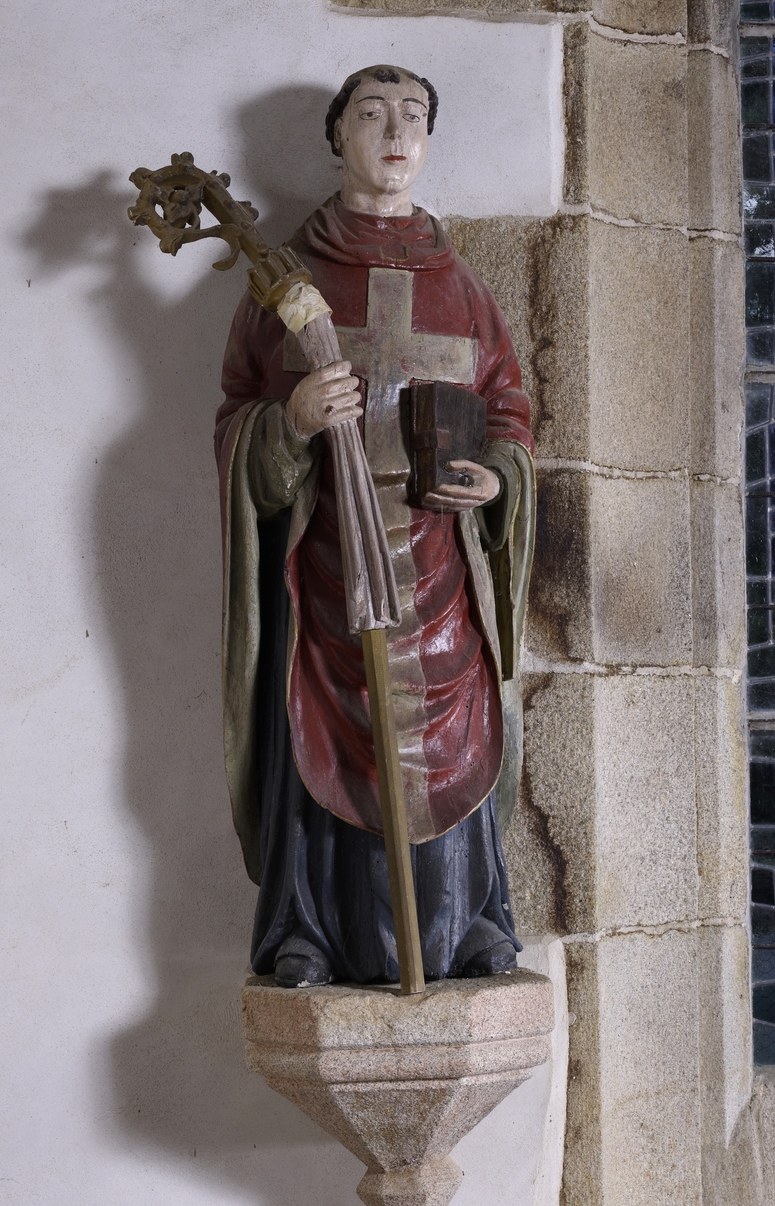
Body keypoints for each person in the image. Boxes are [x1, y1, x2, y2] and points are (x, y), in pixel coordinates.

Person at [215, 65, 535, 987]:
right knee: (323, 726)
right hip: (326, 551)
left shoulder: (464, 287)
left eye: (413, 116)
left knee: (449, 733)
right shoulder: (285, 282)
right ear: (337, 136)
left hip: (436, 556)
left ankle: (467, 921)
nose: (396, 134)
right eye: (372, 115)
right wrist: (290, 420)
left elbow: (508, 411)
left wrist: (497, 476)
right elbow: (236, 415)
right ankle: (310, 927)